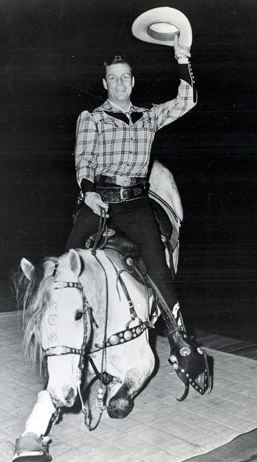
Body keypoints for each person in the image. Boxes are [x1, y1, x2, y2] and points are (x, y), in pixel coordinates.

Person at [66, 35, 209, 394]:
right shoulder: (93, 118)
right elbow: (83, 159)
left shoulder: (148, 116)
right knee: (68, 266)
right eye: (112, 78)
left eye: (125, 77)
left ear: (133, 81)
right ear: (105, 83)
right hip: (100, 202)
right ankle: (64, 349)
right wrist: (89, 192)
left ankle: (182, 345)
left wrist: (181, 58)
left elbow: (187, 100)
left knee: (159, 268)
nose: (119, 83)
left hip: (134, 204)